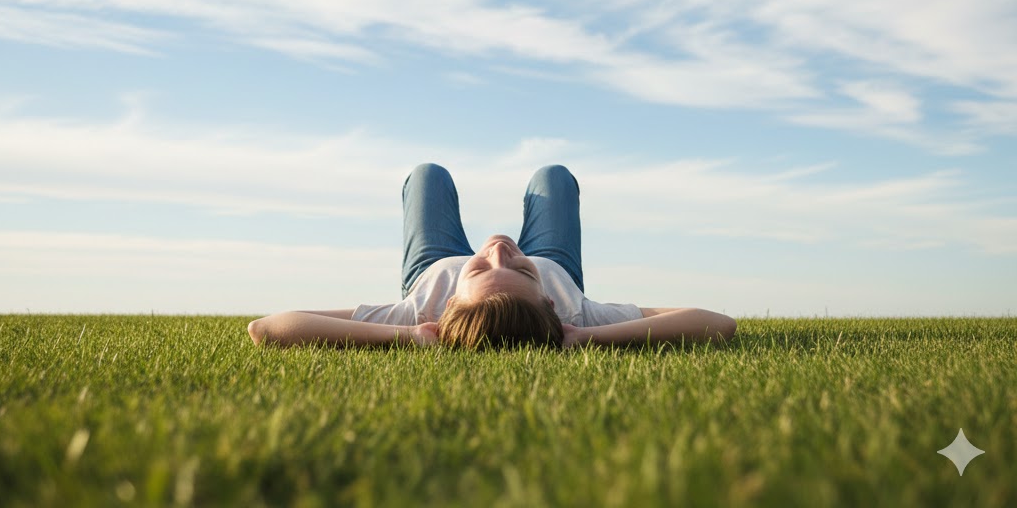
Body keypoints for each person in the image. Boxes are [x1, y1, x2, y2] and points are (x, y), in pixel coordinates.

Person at [247, 162, 736, 350]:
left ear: (447, 308)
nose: (499, 250)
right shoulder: (575, 313)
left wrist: (410, 337)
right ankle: (531, 256)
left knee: (426, 177)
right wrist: (587, 338)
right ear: (550, 304)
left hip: (431, 267)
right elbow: (718, 323)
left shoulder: (421, 311)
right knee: (553, 179)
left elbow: (268, 328)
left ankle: (483, 272)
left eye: (480, 268)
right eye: (520, 270)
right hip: (555, 260)